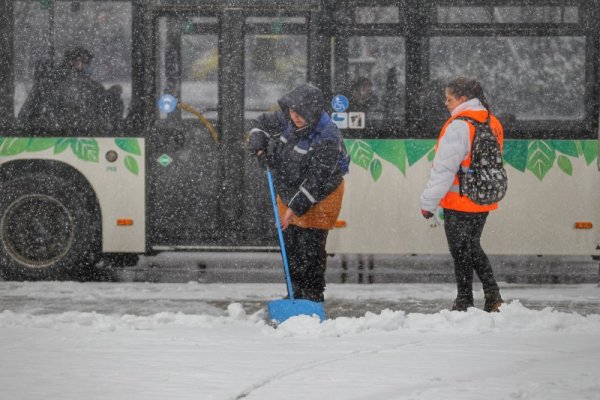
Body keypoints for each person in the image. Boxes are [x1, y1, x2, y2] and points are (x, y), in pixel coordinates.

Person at [249, 83, 349, 302]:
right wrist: (259, 145)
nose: (295, 117)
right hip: (289, 189)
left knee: (310, 249)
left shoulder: (328, 136)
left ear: (312, 111)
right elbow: (260, 124)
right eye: (292, 112)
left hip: (321, 196)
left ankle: (312, 297)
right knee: (291, 248)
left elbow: (317, 181)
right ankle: (293, 294)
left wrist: (294, 208)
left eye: (300, 113)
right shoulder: (287, 118)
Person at [420, 77, 504, 313]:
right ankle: (485, 297)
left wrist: (428, 203)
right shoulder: (493, 122)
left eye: (449, 98)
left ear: (463, 99)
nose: (446, 103)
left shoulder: (458, 125)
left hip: (460, 201)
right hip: (484, 197)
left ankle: (470, 300)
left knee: (462, 251)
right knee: (471, 246)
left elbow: (444, 170)